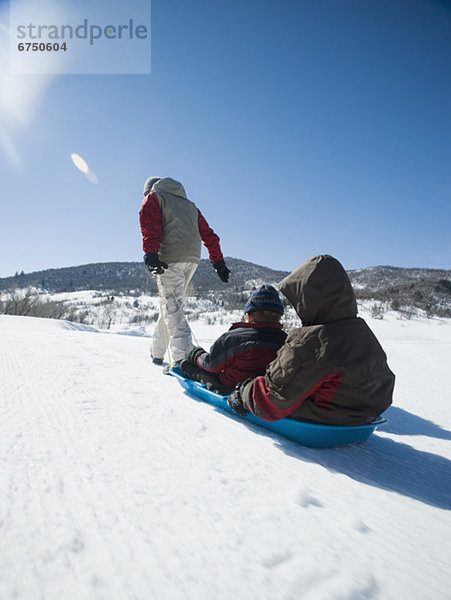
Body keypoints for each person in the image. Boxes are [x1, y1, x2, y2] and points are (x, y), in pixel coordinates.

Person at [228, 255, 395, 425]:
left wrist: (243, 392)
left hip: (325, 419)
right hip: (364, 416)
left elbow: (272, 399)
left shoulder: (312, 341)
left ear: (308, 299)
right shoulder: (360, 331)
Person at [139, 176, 230, 366]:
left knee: (173, 307)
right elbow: (209, 234)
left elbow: (150, 226)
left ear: (149, 189)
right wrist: (218, 262)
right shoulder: (190, 206)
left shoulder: (154, 198)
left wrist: (151, 253)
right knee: (172, 305)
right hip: (192, 259)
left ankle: (183, 359)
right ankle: (156, 352)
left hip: (170, 258)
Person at [180, 285, 287, 394]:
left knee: (187, 365)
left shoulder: (233, 338)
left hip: (231, 388)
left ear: (249, 316)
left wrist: (196, 354)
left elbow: (212, 364)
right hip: (266, 391)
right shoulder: (286, 340)